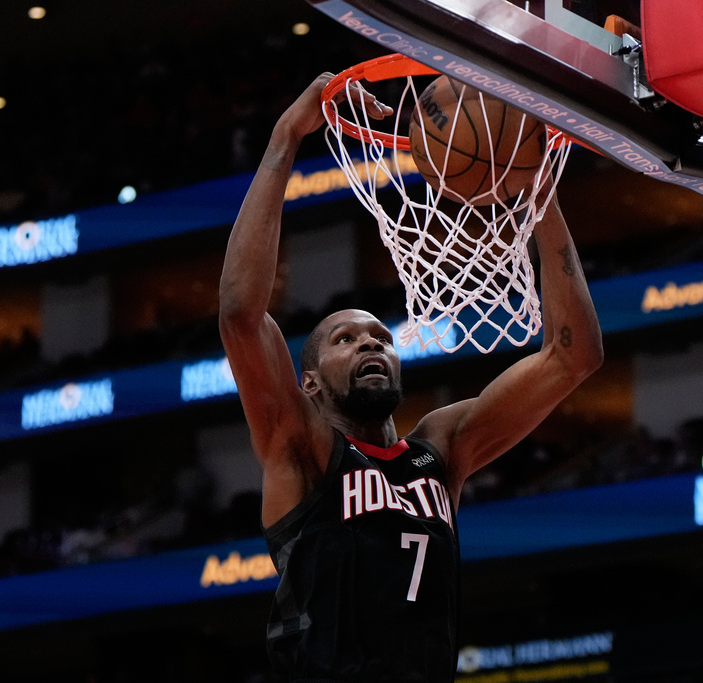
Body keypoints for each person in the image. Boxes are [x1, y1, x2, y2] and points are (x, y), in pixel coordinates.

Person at [218, 73, 604, 683]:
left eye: (380, 337)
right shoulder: (303, 447)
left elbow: (572, 355)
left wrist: (538, 199)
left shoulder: (441, 449)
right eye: (345, 340)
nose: (371, 343)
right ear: (311, 382)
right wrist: (284, 139)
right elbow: (241, 314)